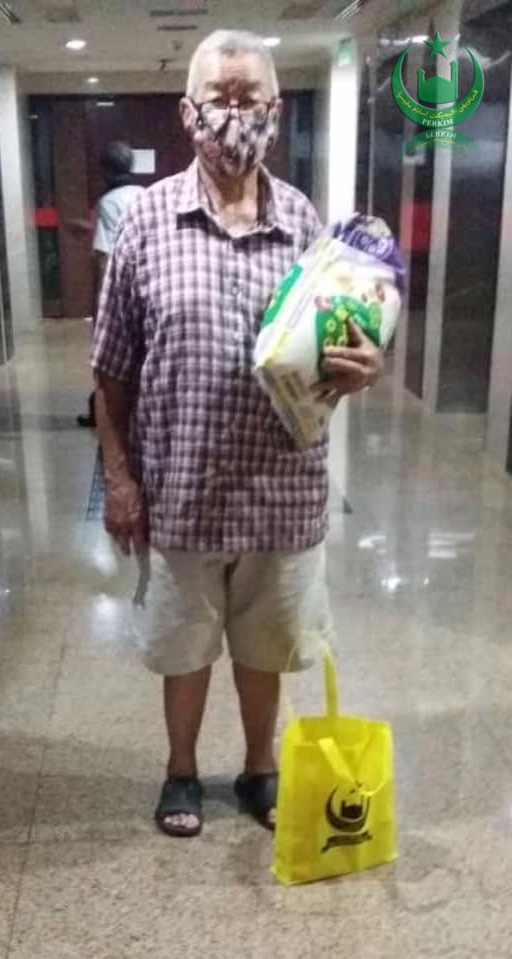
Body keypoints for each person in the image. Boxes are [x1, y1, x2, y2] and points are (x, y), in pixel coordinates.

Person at [92, 30, 384, 838]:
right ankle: (181, 770)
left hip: (281, 488)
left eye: (248, 98)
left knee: (266, 645)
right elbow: (110, 367)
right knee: (185, 649)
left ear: (274, 109)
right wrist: (120, 478)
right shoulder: (147, 221)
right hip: (181, 486)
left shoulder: (303, 222)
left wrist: (364, 365)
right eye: (217, 98)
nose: (233, 114)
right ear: (188, 113)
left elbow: (342, 344)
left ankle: (260, 767)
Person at [76, 141, 145, 428]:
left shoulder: (107, 202)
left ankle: (106, 416)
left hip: (120, 291)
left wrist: (101, 304)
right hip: (148, 288)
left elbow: (105, 256)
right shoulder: (146, 195)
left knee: (110, 360)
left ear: (106, 170)